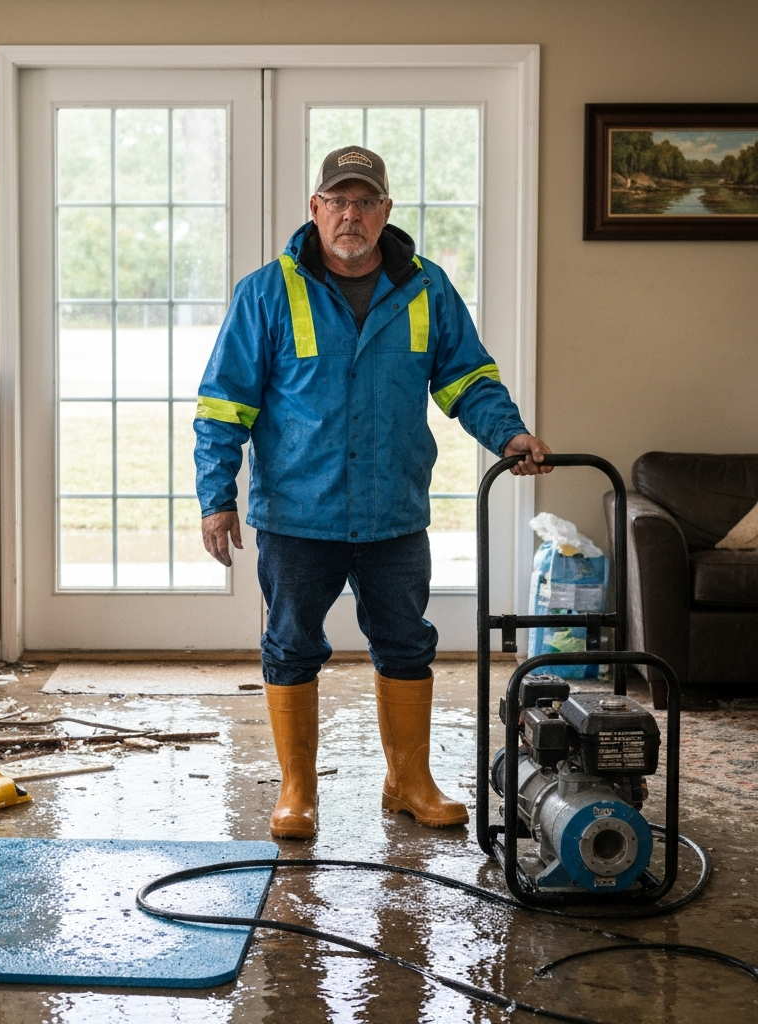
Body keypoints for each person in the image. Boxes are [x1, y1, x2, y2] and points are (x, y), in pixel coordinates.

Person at [193, 146, 551, 841]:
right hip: (298, 514)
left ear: (385, 211)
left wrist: (508, 435)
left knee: (407, 643)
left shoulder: (427, 289)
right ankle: (298, 789)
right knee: (291, 645)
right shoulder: (266, 292)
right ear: (315, 209)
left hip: (392, 511)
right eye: (338, 201)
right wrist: (217, 497)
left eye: (365, 202)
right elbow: (222, 406)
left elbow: (466, 380)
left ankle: (408, 781)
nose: (350, 215)